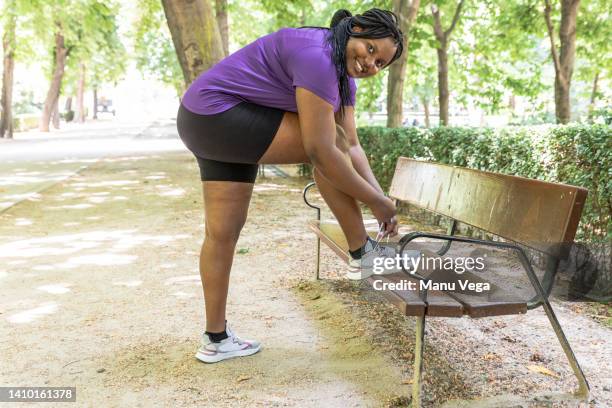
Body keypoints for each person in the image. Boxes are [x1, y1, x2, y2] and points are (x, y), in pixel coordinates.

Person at [176, 8, 404, 364]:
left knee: (223, 233)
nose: (370, 64)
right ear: (356, 30)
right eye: (371, 49)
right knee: (327, 145)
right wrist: (375, 201)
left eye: (381, 64)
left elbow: (354, 148)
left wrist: (381, 200)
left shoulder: (343, 78)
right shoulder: (320, 56)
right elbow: (323, 150)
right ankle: (362, 252)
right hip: (219, 113)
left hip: (203, 120)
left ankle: (215, 338)